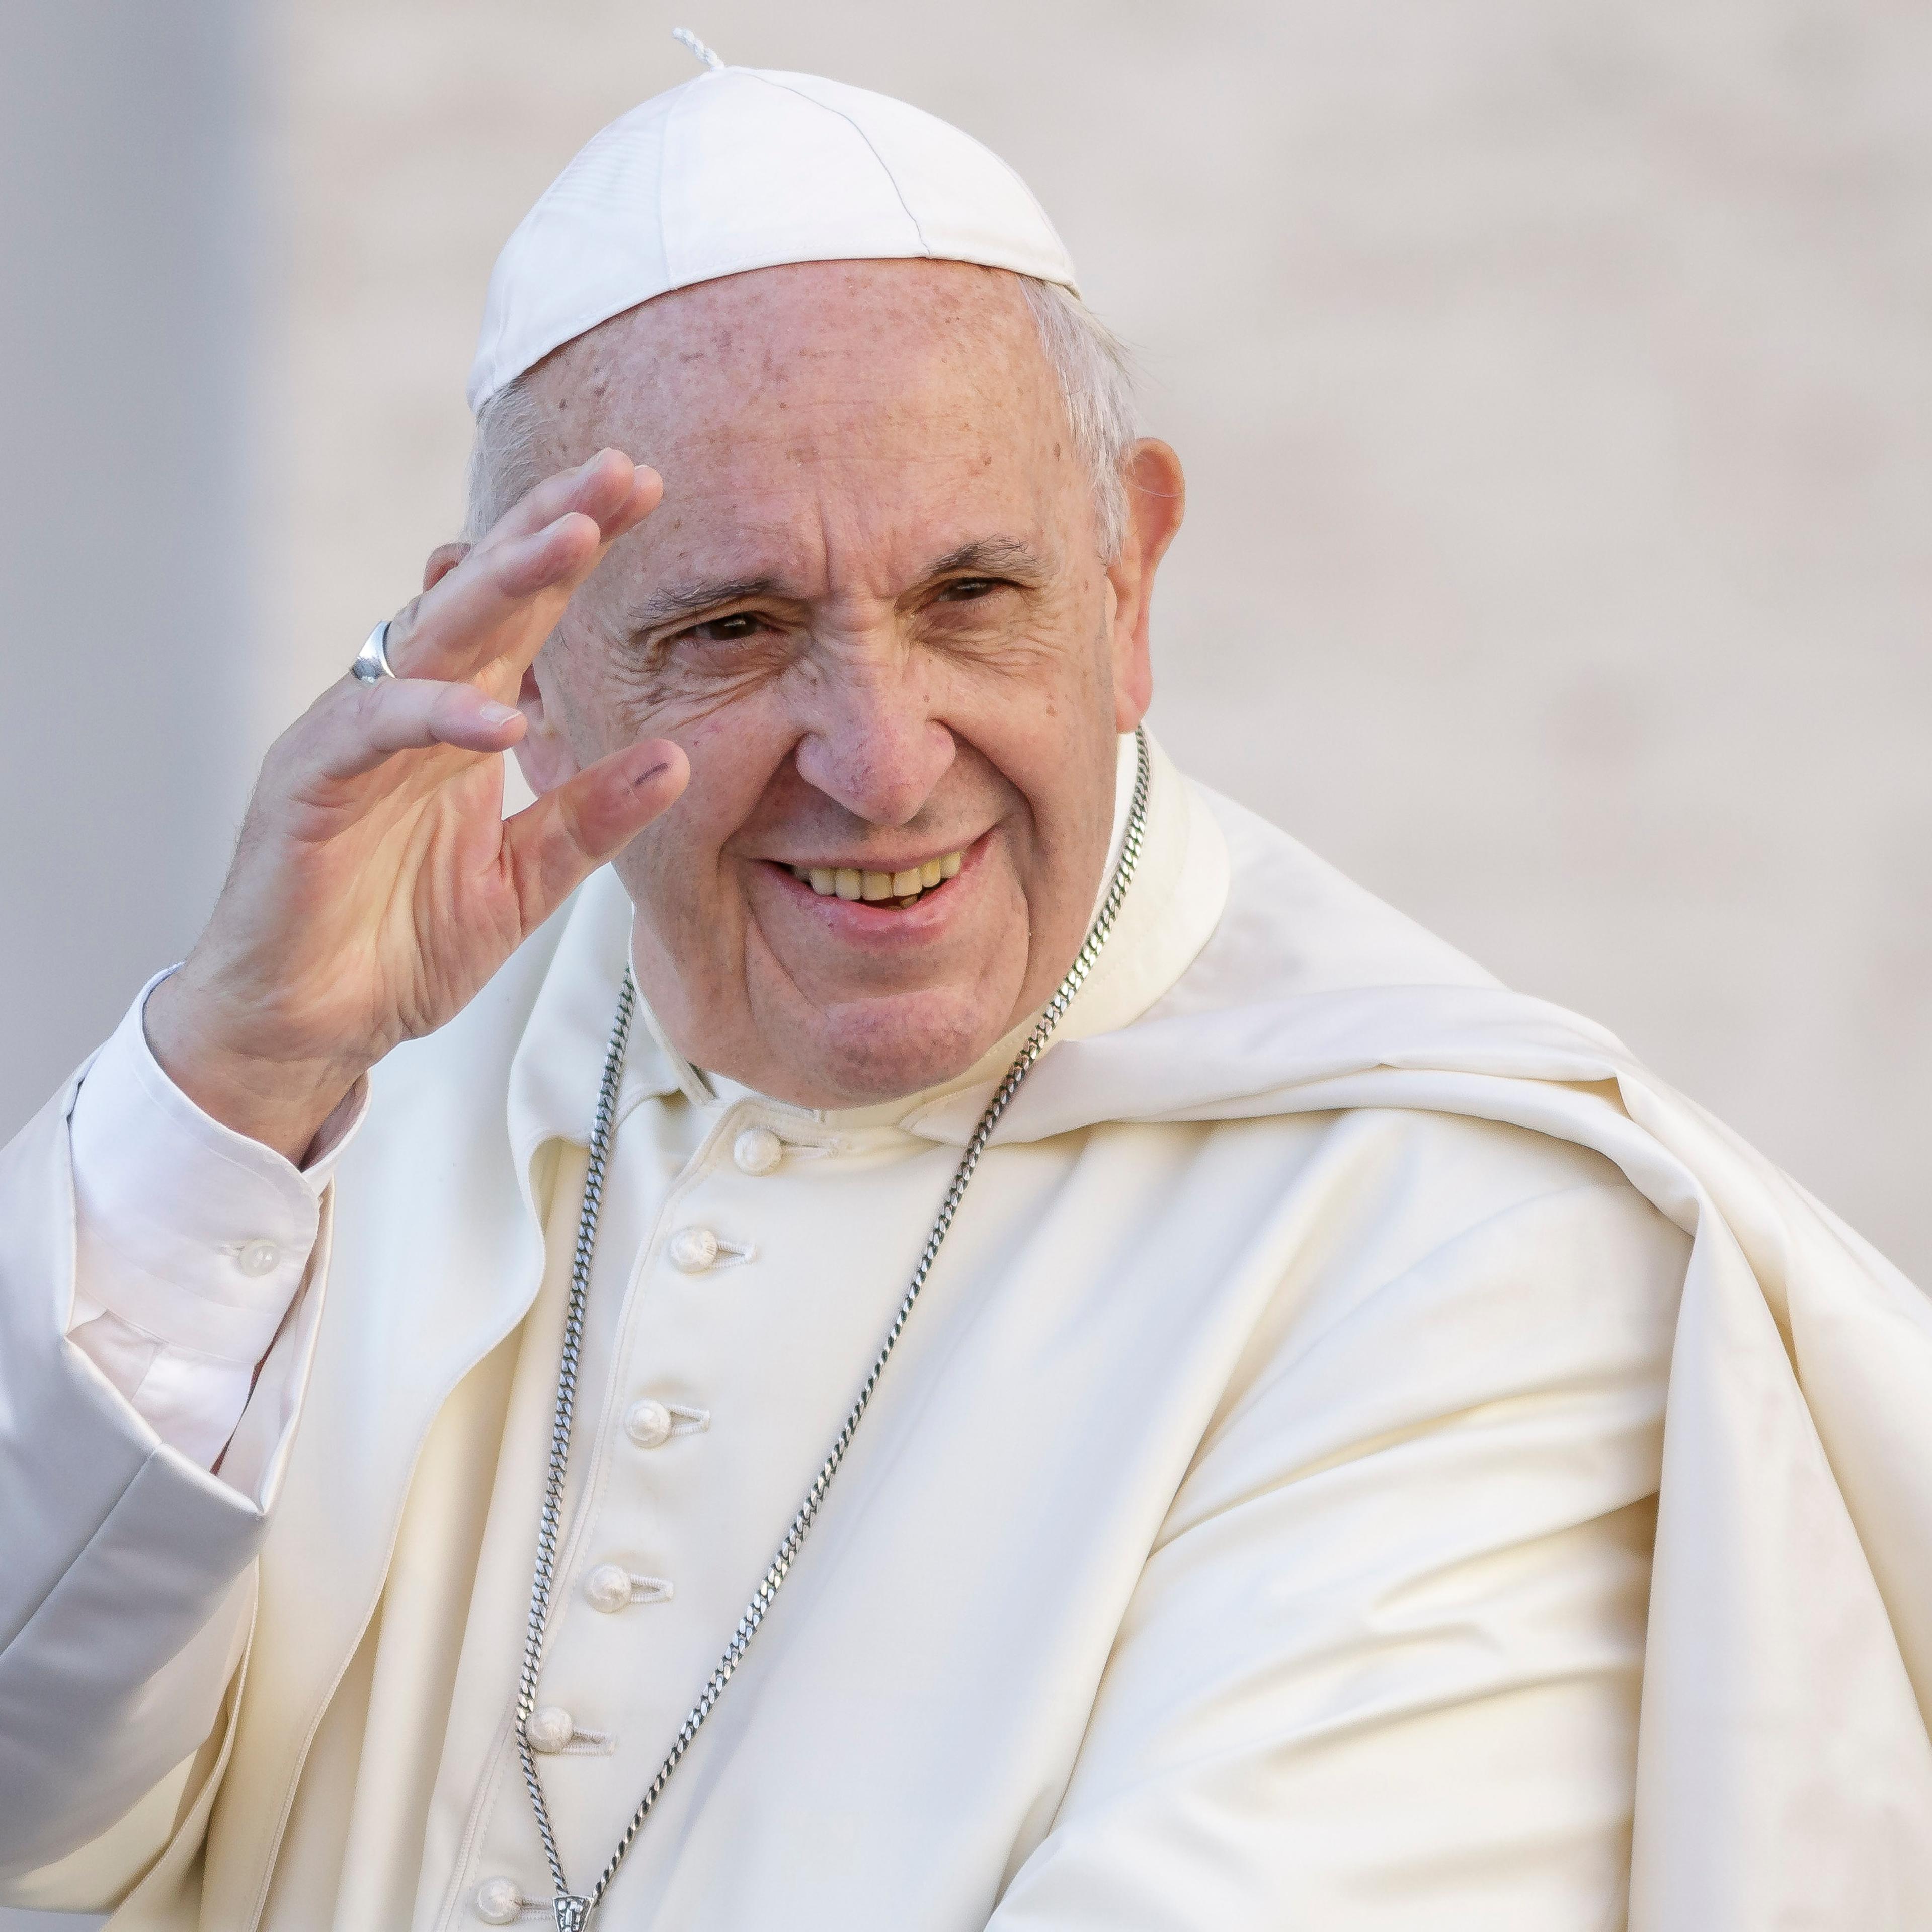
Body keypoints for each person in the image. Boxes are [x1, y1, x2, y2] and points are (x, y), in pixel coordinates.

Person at [3, 45, 1928, 1932]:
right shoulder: (321, 1132)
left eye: (970, 599)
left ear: (1131, 581)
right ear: (520, 658)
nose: (881, 755)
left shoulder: (1464, 1255)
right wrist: (228, 1079)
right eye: (734, 628)